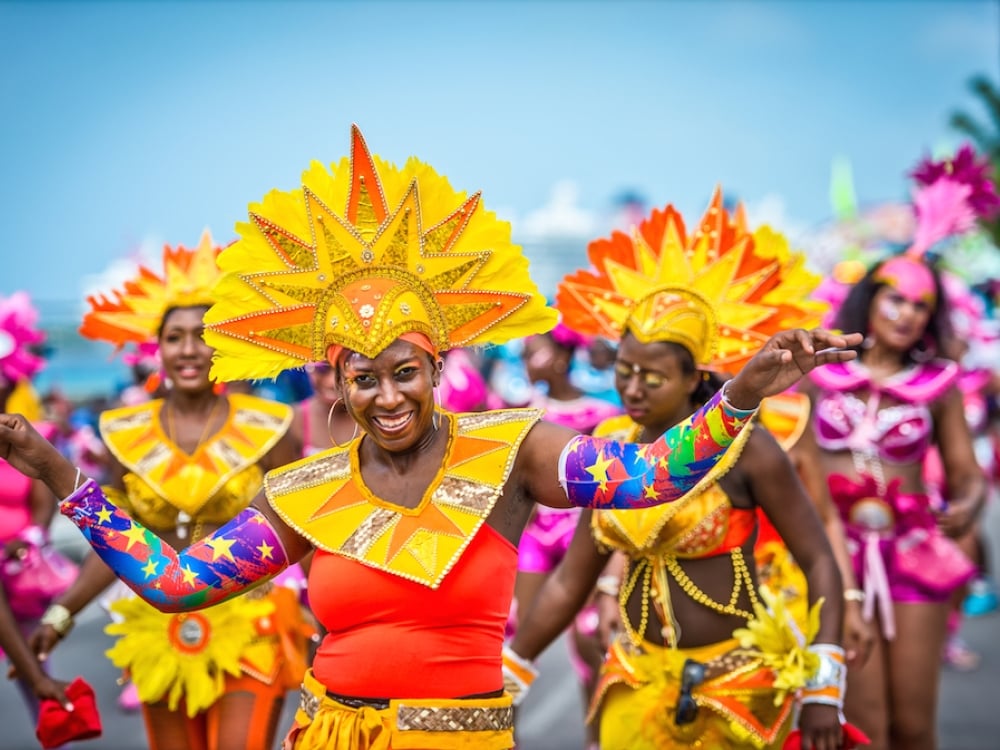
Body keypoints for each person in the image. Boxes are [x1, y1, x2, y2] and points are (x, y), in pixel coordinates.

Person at [1, 127, 860, 750]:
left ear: (439, 360)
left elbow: (653, 476)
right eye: (362, 377)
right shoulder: (302, 490)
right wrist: (60, 473)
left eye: (404, 371)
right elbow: (178, 584)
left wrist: (741, 392)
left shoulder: (515, 449)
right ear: (333, 381)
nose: (387, 397)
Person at [508, 192, 853, 750]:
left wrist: (823, 686)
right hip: (636, 683)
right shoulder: (608, 449)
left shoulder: (748, 451)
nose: (633, 388)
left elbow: (817, 558)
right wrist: (512, 668)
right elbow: (571, 579)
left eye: (653, 376)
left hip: (740, 687)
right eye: (624, 371)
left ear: (696, 377)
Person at [29, 232, 306, 750]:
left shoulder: (272, 426)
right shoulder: (122, 431)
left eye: (202, 334)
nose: (189, 349)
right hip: (157, 623)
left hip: (252, 620)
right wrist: (63, 613)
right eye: (175, 337)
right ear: (155, 348)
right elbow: (113, 536)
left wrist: (333, 621)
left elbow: (299, 531)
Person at [801, 148, 997, 750]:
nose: (907, 314)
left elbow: (965, 476)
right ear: (869, 300)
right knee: (865, 729)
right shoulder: (819, 376)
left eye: (921, 306)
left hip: (913, 555)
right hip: (835, 557)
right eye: (895, 299)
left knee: (913, 729)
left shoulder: (937, 387)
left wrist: (963, 508)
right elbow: (801, 472)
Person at [514, 322, 622, 749]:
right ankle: (502, 736)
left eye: (533, 353)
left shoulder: (603, 414)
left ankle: (597, 740)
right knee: (517, 639)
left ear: (561, 358)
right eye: (523, 355)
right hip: (536, 540)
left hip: (587, 538)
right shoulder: (518, 412)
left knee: (592, 639)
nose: (526, 363)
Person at [0, 291, 74, 733]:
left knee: (32, 673)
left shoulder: (31, 435)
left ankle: (54, 727)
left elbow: (45, 500)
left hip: (19, 568)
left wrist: (28, 542)